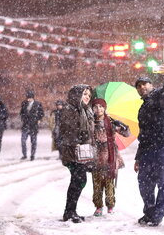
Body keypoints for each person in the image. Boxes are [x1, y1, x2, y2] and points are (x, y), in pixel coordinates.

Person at [134, 64, 164, 227]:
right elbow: (143, 135)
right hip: (148, 148)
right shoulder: (142, 109)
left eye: (144, 83)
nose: (142, 87)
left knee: (163, 180)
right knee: (144, 181)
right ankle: (149, 211)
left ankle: (157, 215)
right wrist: (138, 158)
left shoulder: (160, 95)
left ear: (151, 85)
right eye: (138, 86)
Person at [59, 84, 94, 223]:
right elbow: (67, 130)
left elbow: (88, 130)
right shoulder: (70, 110)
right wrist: (78, 141)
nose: (87, 97)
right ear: (77, 95)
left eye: (89, 95)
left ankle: (71, 211)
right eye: (84, 94)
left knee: (78, 180)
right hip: (72, 152)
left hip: (81, 152)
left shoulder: (85, 110)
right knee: (78, 180)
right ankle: (69, 212)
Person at [91, 98, 130, 216]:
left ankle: (110, 205)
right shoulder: (91, 122)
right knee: (97, 183)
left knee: (109, 182)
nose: (98, 109)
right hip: (96, 156)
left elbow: (126, 134)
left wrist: (123, 126)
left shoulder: (111, 122)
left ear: (105, 108)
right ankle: (98, 206)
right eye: (96, 107)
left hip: (110, 156)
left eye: (101, 107)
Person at [20, 90, 44, 161]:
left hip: (34, 125)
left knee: (33, 142)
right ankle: (24, 154)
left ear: (33, 98)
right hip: (25, 125)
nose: (29, 99)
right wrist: (23, 118)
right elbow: (21, 112)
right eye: (28, 97)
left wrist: (39, 119)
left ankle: (32, 155)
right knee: (23, 140)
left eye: (30, 97)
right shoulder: (24, 103)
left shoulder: (38, 104)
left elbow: (41, 113)